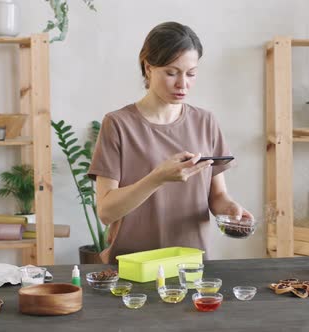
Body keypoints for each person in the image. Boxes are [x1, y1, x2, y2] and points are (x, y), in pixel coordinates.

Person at [88, 21, 253, 264]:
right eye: (171, 72)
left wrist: (229, 211)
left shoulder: (205, 122)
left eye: (191, 73)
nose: (182, 84)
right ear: (148, 68)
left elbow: (217, 195)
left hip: (192, 266)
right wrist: (158, 178)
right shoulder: (118, 124)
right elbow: (106, 211)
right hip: (132, 268)